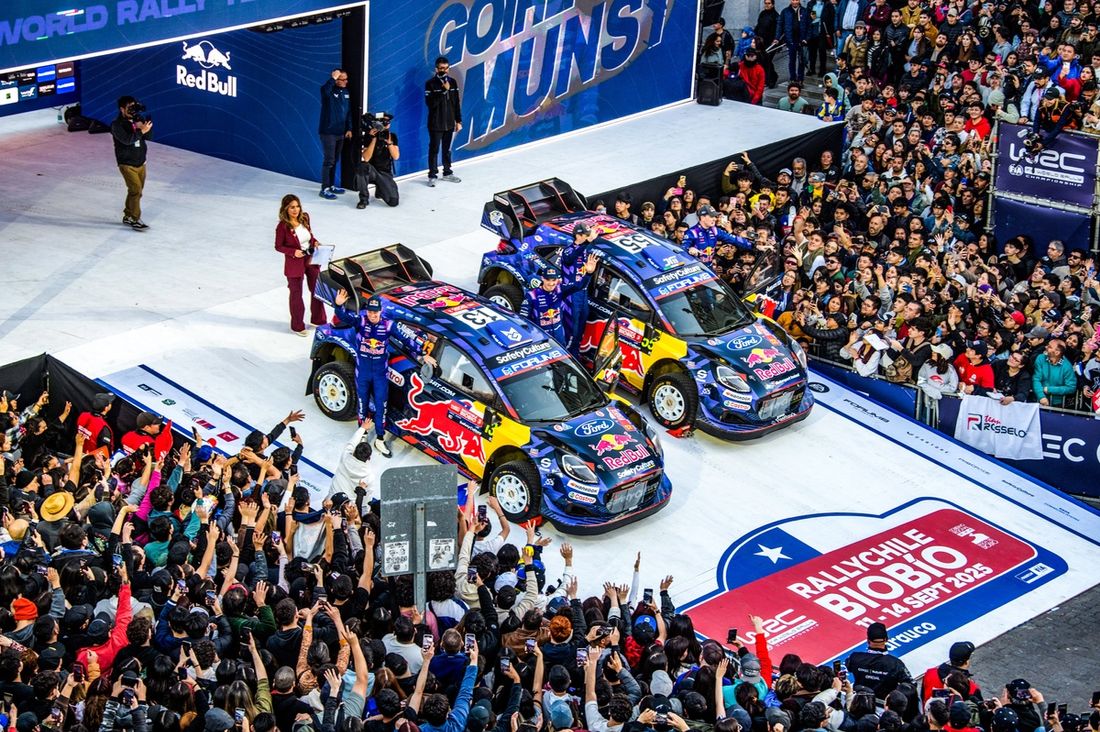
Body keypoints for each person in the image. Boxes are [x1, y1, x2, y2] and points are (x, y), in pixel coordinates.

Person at [334, 292, 393, 457]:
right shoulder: (361, 321)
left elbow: (408, 338)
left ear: (380, 311)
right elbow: (343, 317)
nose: (373, 315)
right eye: (370, 312)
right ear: (367, 311)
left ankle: (380, 439)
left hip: (381, 374)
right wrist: (338, 305)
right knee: (362, 403)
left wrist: (423, 353)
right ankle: (363, 433)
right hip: (363, 373)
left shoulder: (388, 325)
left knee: (382, 406)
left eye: (375, 312)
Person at [274, 194, 328, 336]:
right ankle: (297, 325)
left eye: (297, 206)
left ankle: (319, 319)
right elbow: (278, 246)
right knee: (296, 294)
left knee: (317, 289)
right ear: (285, 208)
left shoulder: (305, 218)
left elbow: (310, 236)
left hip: (310, 258)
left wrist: (315, 242)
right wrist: (293, 252)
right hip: (295, 262)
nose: (295, 210)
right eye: (292, 207)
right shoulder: (282, 226)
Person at [520, 261, 596, 346]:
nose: (551, 283)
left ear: (558, 280)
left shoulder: (560, 289)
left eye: (554, 280)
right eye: (548, 279)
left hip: (559, 338)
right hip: (541, 338)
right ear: (542, 278)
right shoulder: (531, 295)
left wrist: (588, 274)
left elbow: (578, 286)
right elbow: (523, 319)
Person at [110, 95, 153, 230]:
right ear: (122, 109)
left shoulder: (138, 119)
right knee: (136, 190)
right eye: (130, 108)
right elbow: (127, 140)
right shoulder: (116, 125)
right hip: (127, 163)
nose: (133, 110)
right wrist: (140, 130)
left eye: (134, 107)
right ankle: (135, 218)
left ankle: (127, 215)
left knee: (136, 191)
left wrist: (145, 128)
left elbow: (148, 137)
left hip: (141, 162)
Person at [846, 622, 913, 703]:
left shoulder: (854, 658)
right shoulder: (896, 664)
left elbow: (848, 667)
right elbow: (911, 685)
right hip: (886, 705)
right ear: (886, 639)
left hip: (859, 703)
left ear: (868, 640)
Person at [561, 222, 600, 356]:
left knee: (580, 330)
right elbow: (569, 258)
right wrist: (585, 243)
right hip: (571, 295)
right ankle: (567, 357)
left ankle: (575, 357)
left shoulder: (585, 250)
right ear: (578, 235)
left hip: (583, 293)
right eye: (586, 235)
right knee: (572, 330)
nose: (588, 238)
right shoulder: (568, 250)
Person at [425, 56, 463, 187]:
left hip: (449, 123)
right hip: (435, 124)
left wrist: (458, 121)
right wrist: (443, 90)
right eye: (441, 68)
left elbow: (456, 103)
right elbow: (430, 104)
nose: (444, 71)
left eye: (446, 68)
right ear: (436, 69)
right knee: (434, 149)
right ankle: (432, 175)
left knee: (447, 149)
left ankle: (447, 172)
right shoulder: (430, 84)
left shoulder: (453, 82)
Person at [318, 69, 353, 200]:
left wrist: (349, 128)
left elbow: (348, 112)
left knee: (335, 160)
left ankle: (331, 185)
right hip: (328, 132)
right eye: (342, 79)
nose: (345, 82)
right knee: (329, 161)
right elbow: (324, 90)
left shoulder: (346, 92)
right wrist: (332, 79)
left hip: (341, 132)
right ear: (336, 79)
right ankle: (324, 188)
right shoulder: (328, 91)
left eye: (346, 79)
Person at [355, 112, 400, 209]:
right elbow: (366, 158)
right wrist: (373, 139)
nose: (386, 123)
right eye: (383, 121)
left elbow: (396, 156)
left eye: (387, 121)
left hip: (385, 173)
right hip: (372, 171)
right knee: (362, 166)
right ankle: (363, 199)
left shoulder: (392, 136)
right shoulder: (369, 136)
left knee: (393, 201)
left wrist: (389, 144)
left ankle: (380, 189)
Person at [683, 205, 753, 267]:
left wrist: (753, 246)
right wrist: (689, 249)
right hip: (695, 269)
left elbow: (733, 239)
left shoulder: (715, 230)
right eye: (711, 216)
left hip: (709, 268)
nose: (714, 219)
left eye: (715, 216)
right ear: (702, 217)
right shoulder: (692, 232)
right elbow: (682, 250)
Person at [1032, 338, 1077, 407]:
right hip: (1037, 398)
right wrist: (1041, 396)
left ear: (1057, 352)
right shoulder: (1040, 358)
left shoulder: (1067, 367)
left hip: (1057, 404)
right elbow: (1036, 379)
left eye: (1049, 347)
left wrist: (1049, 389)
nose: (1046, 347)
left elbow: (1071, 387)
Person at [778, 0, 811, 83]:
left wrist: (806, 39)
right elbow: (780, 25)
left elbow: (809, 26)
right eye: (793, 0)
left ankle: (800, 79)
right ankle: (792, 78)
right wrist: (777, 38)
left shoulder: (804, 11)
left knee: (801, 61)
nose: (795, 2)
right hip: (791, 40)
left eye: (796, 0)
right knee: (792, 60)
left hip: (801, 41)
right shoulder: (785, 11)